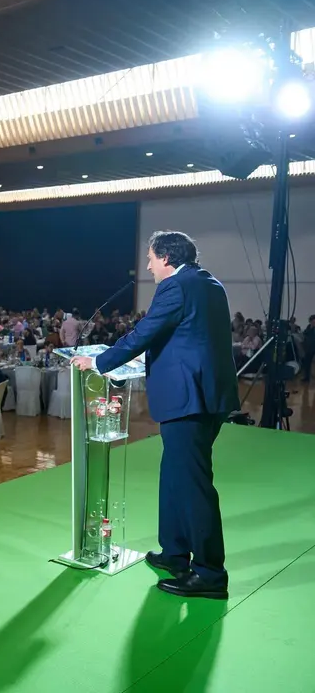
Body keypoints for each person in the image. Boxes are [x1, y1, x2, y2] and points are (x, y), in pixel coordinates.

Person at [72, 231, 239, 600]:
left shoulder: (175, 286)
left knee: (193, 485)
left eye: (150, 259)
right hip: (208, 395)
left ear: (166, 257)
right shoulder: (209, 283)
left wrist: (98, 362)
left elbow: (144, 333)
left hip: (188, 398)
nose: (148, 267)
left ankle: (210, 574)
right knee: (175, 475)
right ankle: (175, 552)